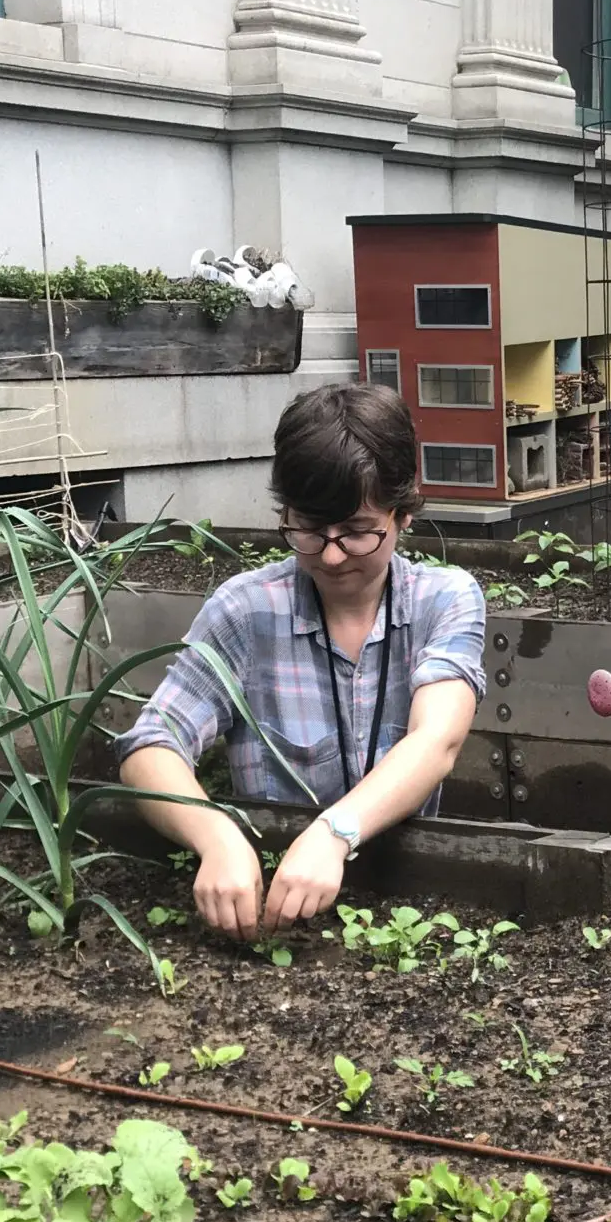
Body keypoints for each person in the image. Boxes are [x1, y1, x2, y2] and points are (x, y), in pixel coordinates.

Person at [114, 384, 487, 935]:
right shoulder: (246, 610)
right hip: (270, 905)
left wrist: (333, 834)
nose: (332, 555)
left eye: (359, 532)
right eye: (309, 531)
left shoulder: (444, 600)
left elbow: (437, 741)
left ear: (403, 514)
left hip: (406, 899)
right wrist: (216, 837)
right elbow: (149, 746)